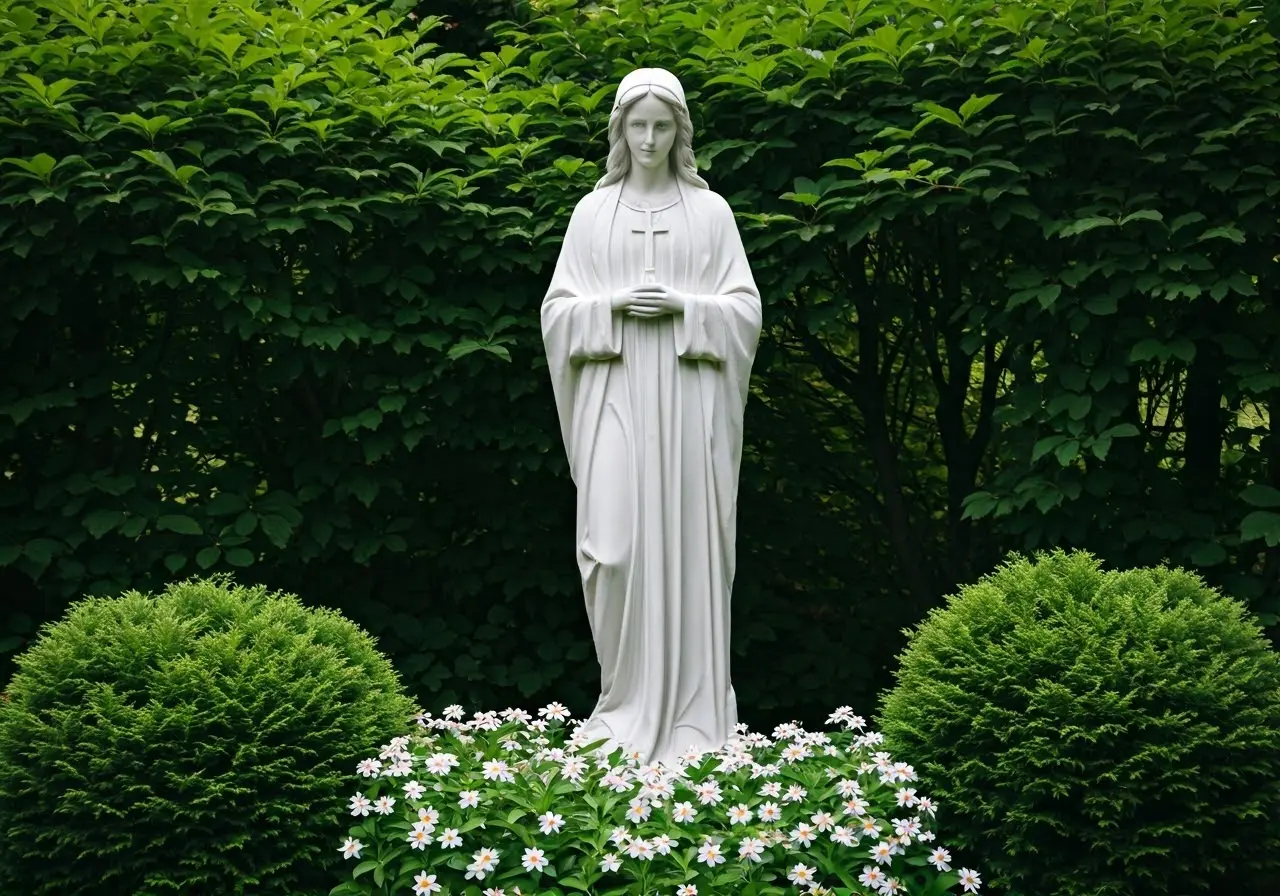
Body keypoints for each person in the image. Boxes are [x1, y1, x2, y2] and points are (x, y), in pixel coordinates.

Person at [541, 67, 763, 766]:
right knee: (611, 551)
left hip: (689, 411)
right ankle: (624, 708)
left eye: (661, 126)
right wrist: (607, 309)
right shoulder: (591, 213)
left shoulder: (711, 214)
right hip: (614, 398)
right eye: (636, 125)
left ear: (680, 131)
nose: (648, 138)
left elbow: (746, 312)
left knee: (688, 549)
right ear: (618, 130)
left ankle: (693, 721)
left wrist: (684, 309)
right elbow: (555, 313)